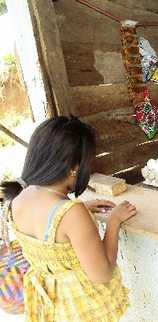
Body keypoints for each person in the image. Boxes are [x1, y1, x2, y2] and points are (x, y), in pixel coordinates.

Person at [0, 116, 137, 321]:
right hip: (78, 309)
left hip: (47, 307)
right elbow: (102, 274)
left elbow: (49, 230)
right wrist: (113, 222)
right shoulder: (72, 214)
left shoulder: (19, 198)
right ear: (74, 167)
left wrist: (76, 213)